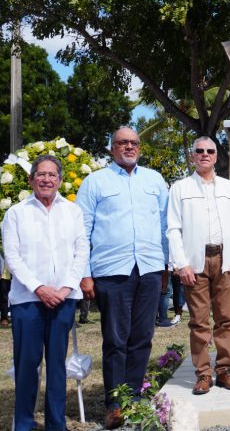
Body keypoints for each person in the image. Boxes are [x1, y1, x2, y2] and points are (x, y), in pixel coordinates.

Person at [76, 127, 169, 430]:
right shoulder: (95, 182)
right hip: (111, 272)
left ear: (139, 147)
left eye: (134, 143)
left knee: (142, 337)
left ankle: (134, 398)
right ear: (112, 148)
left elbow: (167, 225)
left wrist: (166, 267)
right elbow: (81, 232)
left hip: (149, 269)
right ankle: (115, 404)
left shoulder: (154, 180)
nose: (129, 147)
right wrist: (85, 275)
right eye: (122, 143)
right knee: (116, 340)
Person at [1, 154, 89, 431]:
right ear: (31, 179)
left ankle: (55, 423)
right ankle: (25, 423)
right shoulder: (16, 213)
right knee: (27, 365)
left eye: (52, 175)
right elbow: (12, 258)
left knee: (57, 365)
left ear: (60, 180)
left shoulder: (72, 212)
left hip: (63, 300)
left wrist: (64, 289)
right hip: (28, 300)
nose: (47, 179)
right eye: (41, 174)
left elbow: (81, 252)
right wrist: (39, 288)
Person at [167, 136, 230, 395]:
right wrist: (181, 264)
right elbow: (173, 229)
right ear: (192, 156)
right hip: (195, 262)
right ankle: (203, 374)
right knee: (199, 322)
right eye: (199, 151)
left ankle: (224, 370)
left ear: (216, 156)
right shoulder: (180, 188)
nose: (205, 154)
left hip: (224, 259)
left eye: (210, 151)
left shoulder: (228, 187)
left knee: (225, 319)